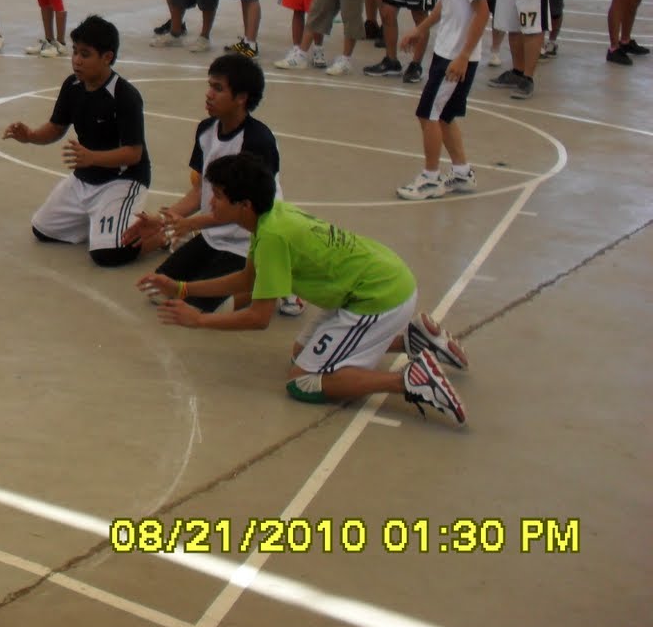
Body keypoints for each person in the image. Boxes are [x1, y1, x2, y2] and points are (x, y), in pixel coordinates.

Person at [135, 154, 469, 425]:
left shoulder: (272, 236)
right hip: (376, 280)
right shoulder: (270, 217)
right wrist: (181, 288)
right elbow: (248, 280)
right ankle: (413, 340)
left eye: (219, 197)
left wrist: (199, 321)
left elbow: (258, 318)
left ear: (244, 205)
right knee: (301, 354)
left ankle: (409, 379)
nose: (211, 204)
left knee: (303, 382)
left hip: (377, 298)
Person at [122, 55, 300, 315]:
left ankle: (279, 281)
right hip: (214, 233)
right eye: (210, 86)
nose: (208, 94)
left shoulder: (257, 141)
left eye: (218, 88)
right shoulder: (206, 130)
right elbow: (200, 192)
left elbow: (246, 210)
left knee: (204, 307)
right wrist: (163, 220)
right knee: (158, 290)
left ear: (241, 98)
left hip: (249, 240)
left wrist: (192, 224)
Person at [2, 15, 150, 266]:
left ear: (107, 57)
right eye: (75, 52)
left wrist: (92, 158)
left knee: (108, 255)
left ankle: (156, 231)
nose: (77, 60)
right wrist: (30, 136)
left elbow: (133, 153)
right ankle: (102, 220)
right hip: (84, 178)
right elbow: (56, 127)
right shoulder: (72, 85)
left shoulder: (125, 96)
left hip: (122, 181)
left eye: (85, 54)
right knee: (43, 230)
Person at [396, 0, 490, 200]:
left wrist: (463, 56)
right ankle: (462, 173)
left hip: (456, 57)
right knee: (445, 116)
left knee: (428, 114)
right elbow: (445, 3)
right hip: (445, 50)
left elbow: (482, 12)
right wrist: (419, 30)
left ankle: (431, 178)